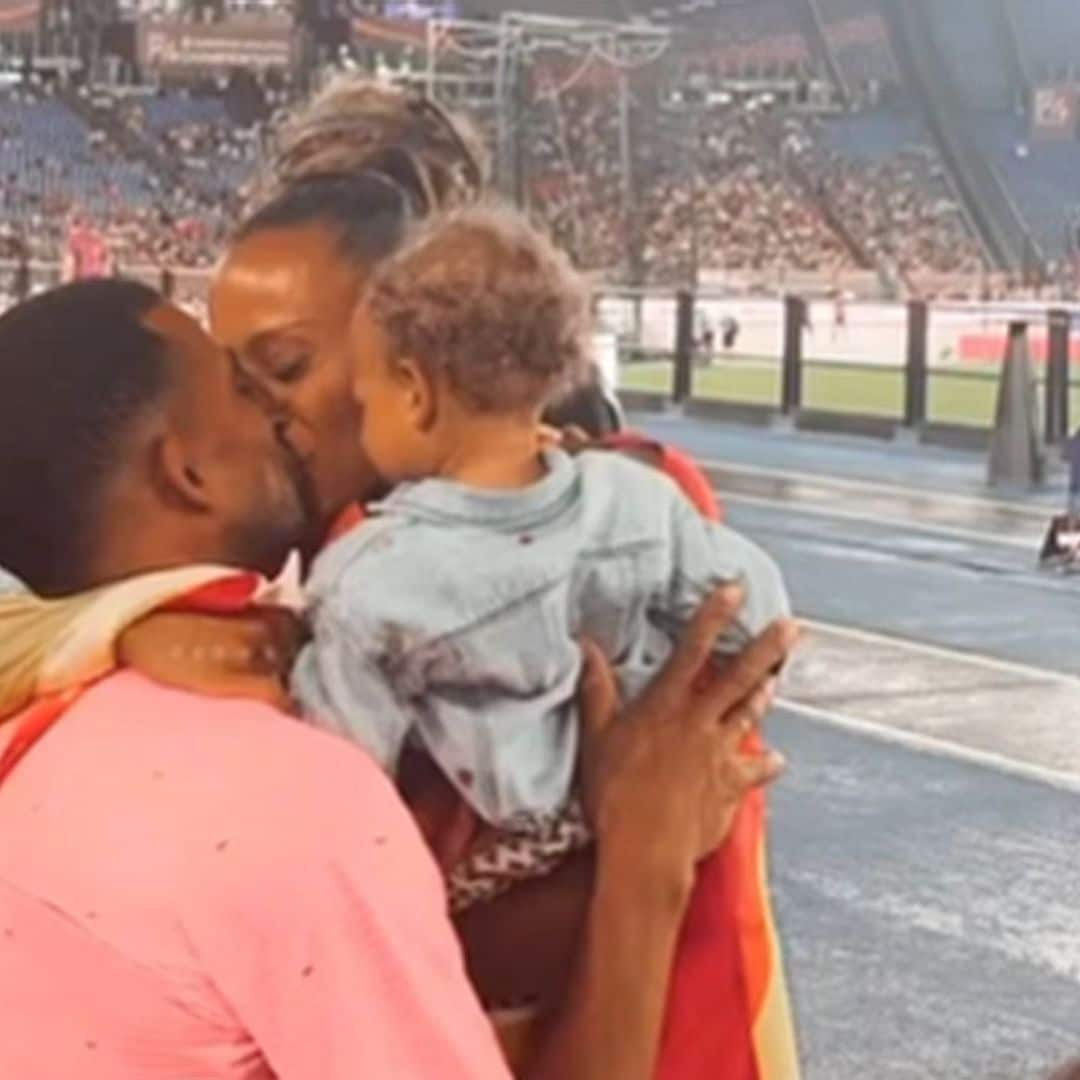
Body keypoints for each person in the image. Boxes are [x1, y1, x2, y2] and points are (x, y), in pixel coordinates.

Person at [136, 76, 800, 1075]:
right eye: (238, 380)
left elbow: (600, 865)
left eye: (286, 365)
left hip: (666, 1025)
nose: (260, 413)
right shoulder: (329, 547)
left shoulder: (612, 502)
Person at [0, 279, 795, 1079]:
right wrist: (646, 862)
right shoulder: (289, 796)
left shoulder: (45, 708)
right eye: (249, 385)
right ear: (189, 472)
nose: (285, 413)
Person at [292, 204, 789, 913]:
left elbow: (343, 795)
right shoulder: (634, 499)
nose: (362, 417)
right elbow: (756, 616)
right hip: (633, 840)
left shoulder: (369, 579)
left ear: (415, 392)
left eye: (366, 400)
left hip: (489, 884)